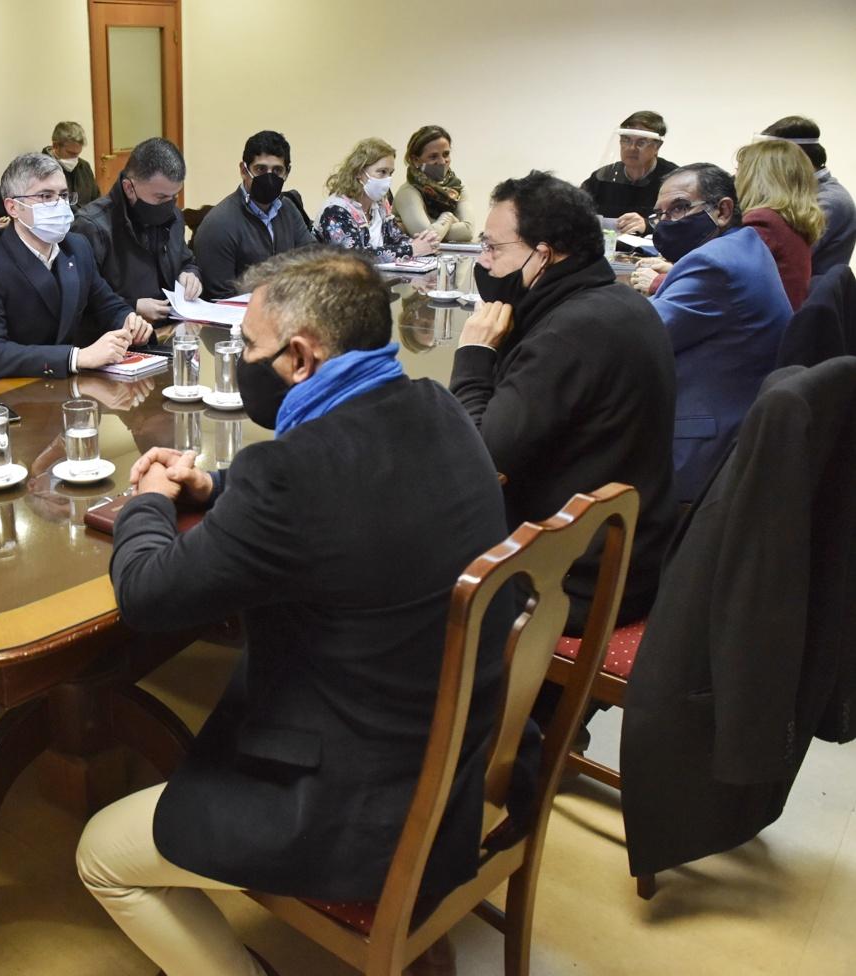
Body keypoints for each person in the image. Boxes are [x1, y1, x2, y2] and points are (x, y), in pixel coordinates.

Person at [77, 247, 523, 976]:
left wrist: (149, 503)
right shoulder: (435, 406)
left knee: (101, 854)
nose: (242, 361)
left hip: (365, 801)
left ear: (299, 357)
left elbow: (150, 595)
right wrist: (217, 488)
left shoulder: (290, 475)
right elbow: (351, 503)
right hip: (461, 745)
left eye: (249, 348)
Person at [449, 171, 677, 632]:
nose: (485, 262)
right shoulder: (613, 302)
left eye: (494, 248)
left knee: (394, 554)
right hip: (622, 555)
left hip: (568, 581)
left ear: (544, 255)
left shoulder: (570, 332)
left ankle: (459, 697)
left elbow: (480, 458)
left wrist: (474, 356)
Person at [645, 163, 792, 503]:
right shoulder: (743, 243)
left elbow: (642, 337)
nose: (666, 223)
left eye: (679, 208)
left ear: (723, 210)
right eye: (660, 215)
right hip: (732, 413)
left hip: (700, 442)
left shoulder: (714, 266)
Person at [0, 152, 153, 381]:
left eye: (63, 195)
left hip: (68, 387)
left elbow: (107, 305)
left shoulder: (77, 246)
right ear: (13, 207)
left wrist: (129, 321)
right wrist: (75, 357)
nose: (59, 205)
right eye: (45, 196)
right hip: (11, 391)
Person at [73, 137, 202, 326]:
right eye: (160, 197)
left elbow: (186, 261)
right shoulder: (92, 227)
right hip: (117, 339)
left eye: (174, 196)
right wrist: (133, 307)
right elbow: (80, 303)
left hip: (169, 330)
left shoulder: (172, 216)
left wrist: (190, 275)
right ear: (129, 188)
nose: (169, 204)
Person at [192, 130, 316, 300]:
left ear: (287, 172)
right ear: (244, 170)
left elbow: (313, 261)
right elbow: (220, 297)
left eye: (277, 170)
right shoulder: (218, 223)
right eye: (260, 169)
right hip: (238, 319)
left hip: (286, 308)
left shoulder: (288, 209)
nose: (269, 177)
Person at [736, 139, 827, 310]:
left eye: (740, 171)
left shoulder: (763, 221)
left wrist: (673, 269)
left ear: (755, 178)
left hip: (757, 330)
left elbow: (715, 276)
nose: (735, 177)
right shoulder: (789, 219)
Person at [315, 137, 438, 261]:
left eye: (390, 173)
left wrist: (421, 243)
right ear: (358, 172)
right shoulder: (335, 210)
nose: (387, 179)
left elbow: (395, 238)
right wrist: (411, 249)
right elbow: (353, 258)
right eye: (382, 172)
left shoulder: (379, 204)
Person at [761, 116, 856, 274]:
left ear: (796, 158)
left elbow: (785, 255)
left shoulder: (831, 200)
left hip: (810, 296)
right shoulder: (799, 191)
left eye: (772, 159)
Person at [580, 111, 678, 235]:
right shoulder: (602, 176)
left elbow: (682, 220)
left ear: (657, 146)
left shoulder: (674, 179)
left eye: (641, 142)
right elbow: (577, 210)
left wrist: (648, 224)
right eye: (626, 140)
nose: (631, 148)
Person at [395, 125, 479, 243]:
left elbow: (468, 231)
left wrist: (435, 227)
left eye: (446, 154)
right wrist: (449, 218)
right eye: (433, 156)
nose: (442, 162)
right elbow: (426, 239)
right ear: (415, 160)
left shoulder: (457, 187)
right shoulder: (407, 192)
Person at [44, 120, 101, 208]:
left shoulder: (84, 167)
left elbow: (96, 200)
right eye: (71, 153)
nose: (75, 158)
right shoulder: (40, 170)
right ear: (55, 146)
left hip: (87, 220)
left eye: (77, 154)